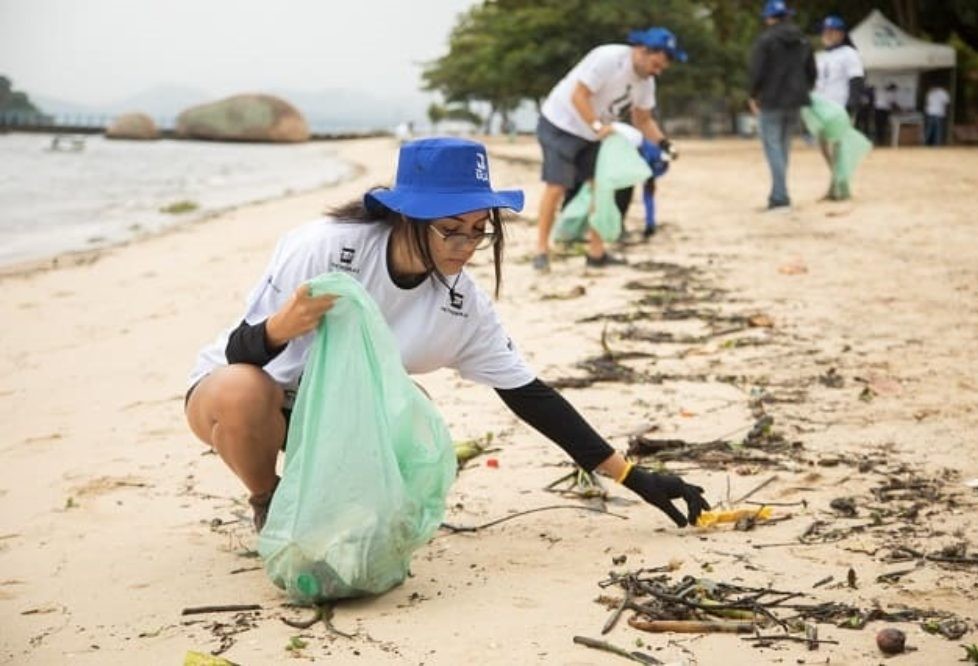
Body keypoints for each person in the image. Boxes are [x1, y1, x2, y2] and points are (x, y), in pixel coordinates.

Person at [185, 137, 709, 534]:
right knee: (241, 389)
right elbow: (238, 354)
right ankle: (267, 499)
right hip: (249, 404)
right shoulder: (325, 249)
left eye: (480, 229)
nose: (466, 245)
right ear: (406, 215)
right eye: (451, 228)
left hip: (344, 420)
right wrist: (281, 327)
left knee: (397, 457)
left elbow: (529, 396)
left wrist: (633, 477)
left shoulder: (463, 306)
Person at [532, 27, 684, 272]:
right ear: (643, 51)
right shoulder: (609, 58)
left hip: (595, 132)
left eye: (663, 67)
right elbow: (578, 96)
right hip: (560, 124)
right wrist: (597, 125)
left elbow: (643, 120)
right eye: (657, 63)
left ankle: (596, 253)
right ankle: (541, 250)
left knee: (600, 189)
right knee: (557, 184)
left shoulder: (646, 84)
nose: (659, 70)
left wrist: (665, 144)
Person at [748, 0, 817, 212]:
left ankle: (780, 198)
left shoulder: (765, 40)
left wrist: (752, 94)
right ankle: (778, 192)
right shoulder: (803, 40)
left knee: (773, 148)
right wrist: (804, 90)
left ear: (769, 18)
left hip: (771, 100)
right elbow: (812, 72)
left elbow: (757, 71)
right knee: (784, 147)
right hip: (796, 101)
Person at [812, 15, 865, 200]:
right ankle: (837, 180)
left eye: (830, 31)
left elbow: (856, 80)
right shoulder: (821, 56)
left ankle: (838, 187)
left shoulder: (849, 54)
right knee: (823, 145)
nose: (826, 35)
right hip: (822, 107)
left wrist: (852, 106)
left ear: (841, 34)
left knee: (838, 148)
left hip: (840, 106)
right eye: (824, 31)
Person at [873, 82, 898, 147]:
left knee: (878, 125)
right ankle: (882, 139)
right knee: (883, 125)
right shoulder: (891, 93)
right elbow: (893, 104)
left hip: (877, 110)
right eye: (894, 89)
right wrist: (900, 109)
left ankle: (878, 139)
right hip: (883, 111)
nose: (895, 91)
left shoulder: (881, 91)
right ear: (892, 88)